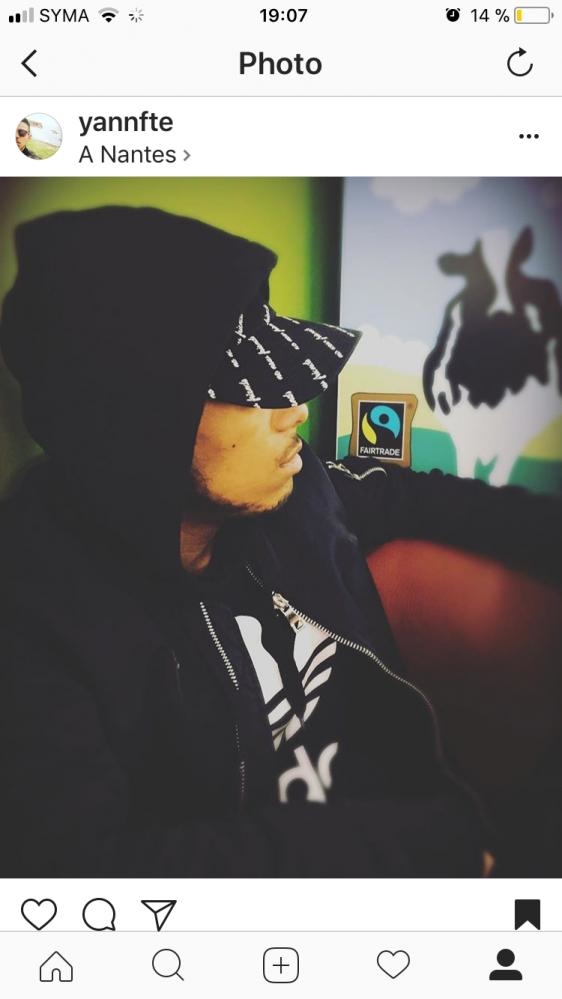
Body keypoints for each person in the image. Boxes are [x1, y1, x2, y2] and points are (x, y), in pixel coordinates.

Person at [0, 206, 560, 877]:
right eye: (251, 390)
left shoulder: (298, 496)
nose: (294, 409)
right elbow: (85, 875)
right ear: (137, 419)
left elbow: (428, 499)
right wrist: (428, 846)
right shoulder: (36, 613)